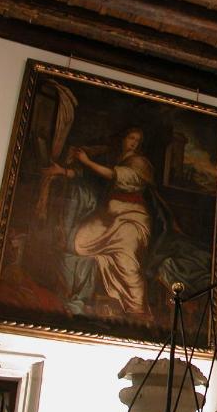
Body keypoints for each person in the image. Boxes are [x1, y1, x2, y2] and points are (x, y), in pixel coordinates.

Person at [44, 128, 154, 320]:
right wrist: (63, 171)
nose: (134, 143)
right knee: (79, 244)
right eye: (131, 138)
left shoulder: (139, 163)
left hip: (131, 218)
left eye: (138, 140)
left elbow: (113, 175)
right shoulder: (113, 158)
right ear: (123, 138)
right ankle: (92, 289)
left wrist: (87, 161)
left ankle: (137, 309)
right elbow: (91, 179)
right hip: (109, 218)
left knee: (125, 257)